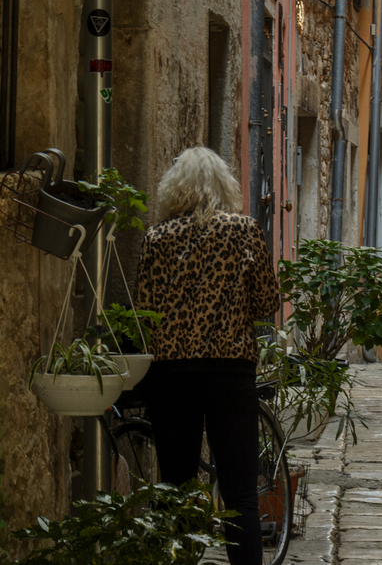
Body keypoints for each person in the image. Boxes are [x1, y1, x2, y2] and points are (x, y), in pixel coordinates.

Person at [133, 147, 279, 565]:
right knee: (240, 494)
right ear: (222, 185)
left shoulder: (157, 238)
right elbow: (266, 301)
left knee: (175, 489)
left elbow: (144, 309)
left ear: (174, 189)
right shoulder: (244, 230)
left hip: (171, 374)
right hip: (229, 372)